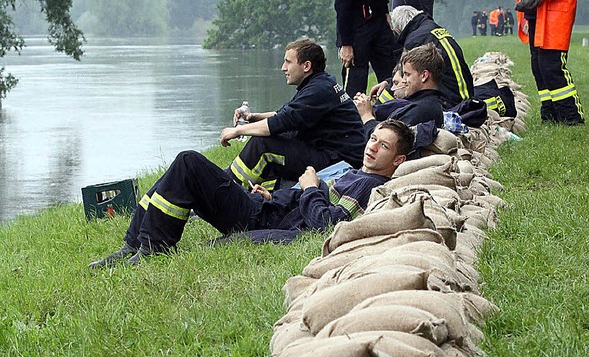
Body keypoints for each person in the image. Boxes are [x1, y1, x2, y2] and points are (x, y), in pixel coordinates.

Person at [88, 119, 415, 268]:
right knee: (182, 171)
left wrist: (312, 188)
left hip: (258, 221)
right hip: (262, 208)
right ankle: (135, 242)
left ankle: (151, 247)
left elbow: (328, 225)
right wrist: (274, 196)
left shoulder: (369, 186)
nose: (372, 147)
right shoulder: (353, 170)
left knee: (189, 162)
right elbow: (300, 202)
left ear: (398, 160)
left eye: (383, 145)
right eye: (373, 139)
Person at [221, 39, 366, 191]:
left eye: (288, 62)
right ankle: (231, 181)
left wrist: (236, 131)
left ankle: (224, 191)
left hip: (340, 164)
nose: (283, 68)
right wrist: (253, 117)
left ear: (306, 66)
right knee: (281, 138)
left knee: (263, 145)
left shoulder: (318, 90)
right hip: (331, 156)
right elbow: (286, 115)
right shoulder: (319, 84)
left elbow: (280, 122)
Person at [381, 5, 474, 110]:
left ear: (398, 29)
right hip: (465, 96)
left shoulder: (415, 40)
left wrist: (378, 107)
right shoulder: (432, 28)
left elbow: (404, 76)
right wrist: (387, 82)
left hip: (448, 101)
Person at [354, 44, 444, 138]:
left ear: (424, 75)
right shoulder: (424, 105)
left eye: (407, 74)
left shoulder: (422, 111)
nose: (404, 81)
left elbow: (383, 143)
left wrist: (367, 117)